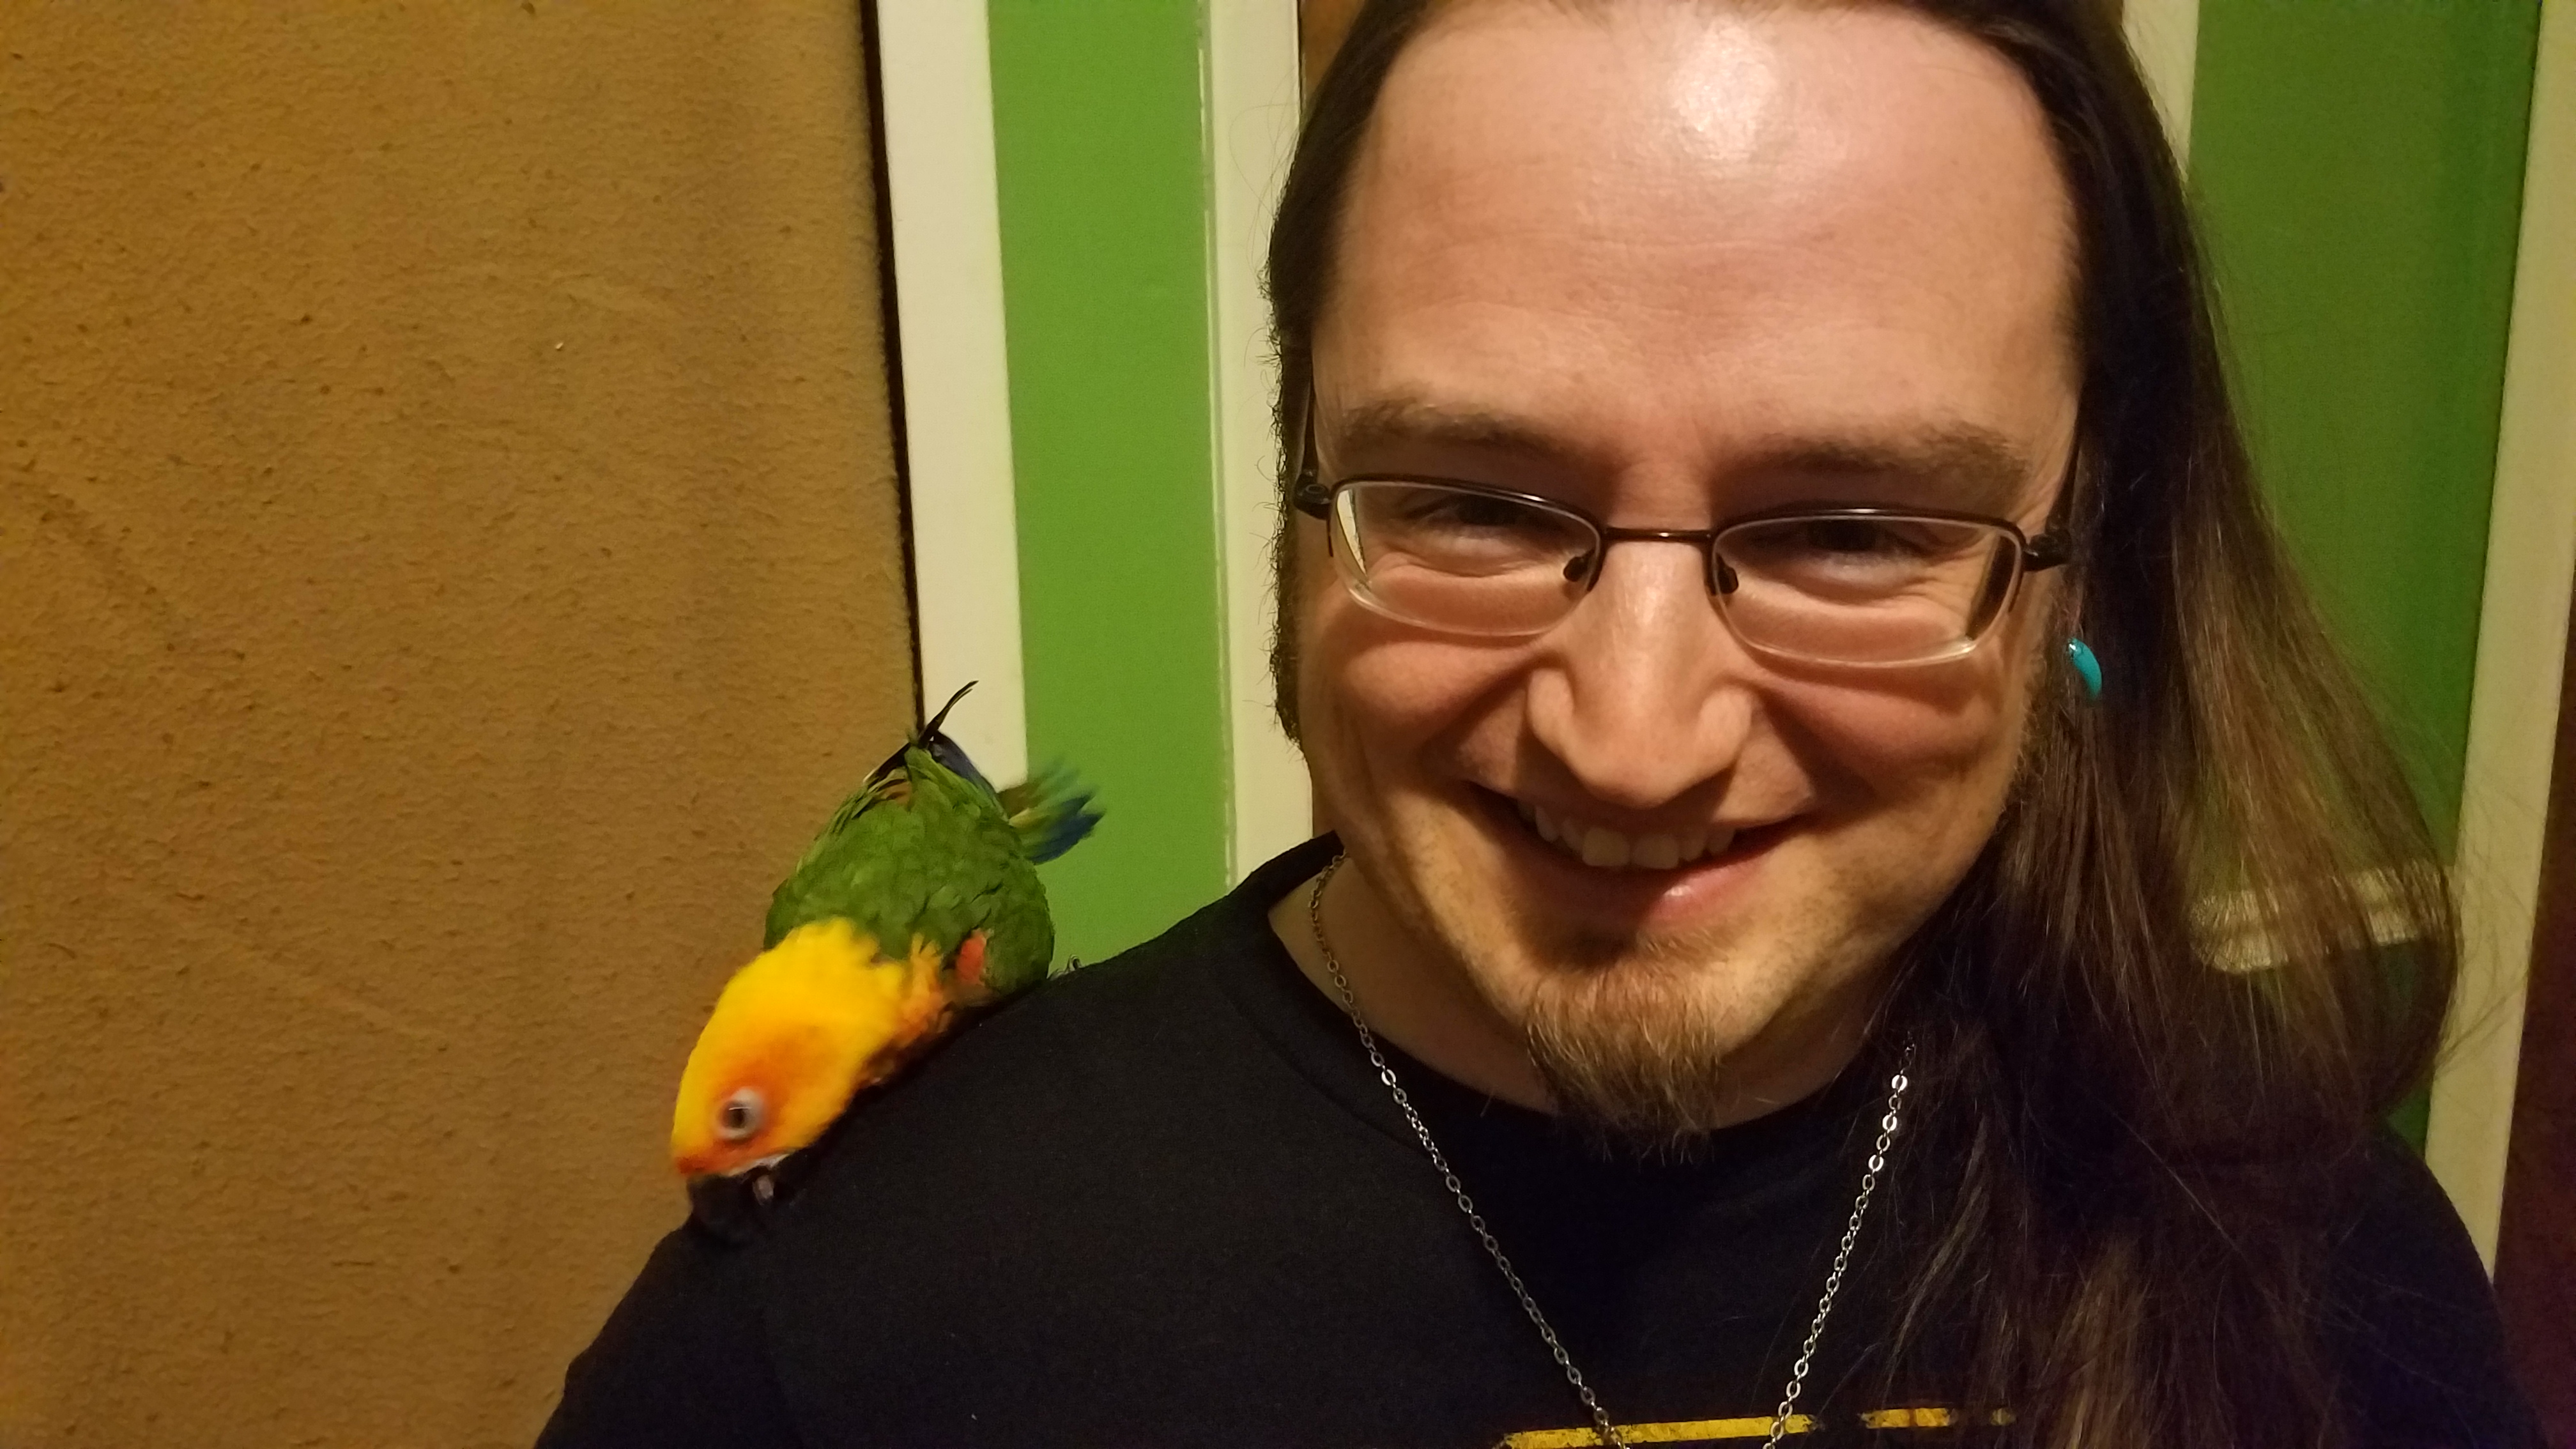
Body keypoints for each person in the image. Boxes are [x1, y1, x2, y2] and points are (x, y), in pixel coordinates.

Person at [538, 1, 2541, 1445]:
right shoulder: (844, 1334)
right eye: (1477, 504)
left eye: (1850, 529)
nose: (1633, 741)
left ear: (2070, 571)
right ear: (1298, 504)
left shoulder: (2313, 1256)